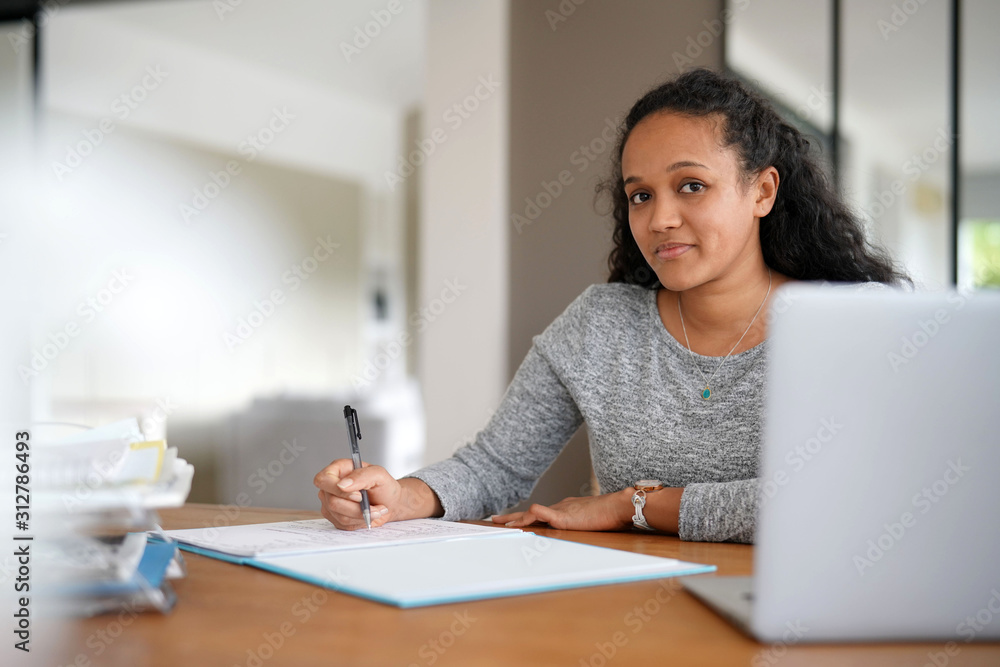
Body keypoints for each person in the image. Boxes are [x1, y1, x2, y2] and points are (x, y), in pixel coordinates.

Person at [314, 68, 909, 543]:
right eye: (640, 195)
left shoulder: (857, 321)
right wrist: (400, 495)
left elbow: (837, 498)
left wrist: (633, 506)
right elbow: (494, 465)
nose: (660, 219)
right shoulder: (603, 324)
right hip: (632, 614)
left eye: (691, 186)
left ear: (763, 190)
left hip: (807, 614)